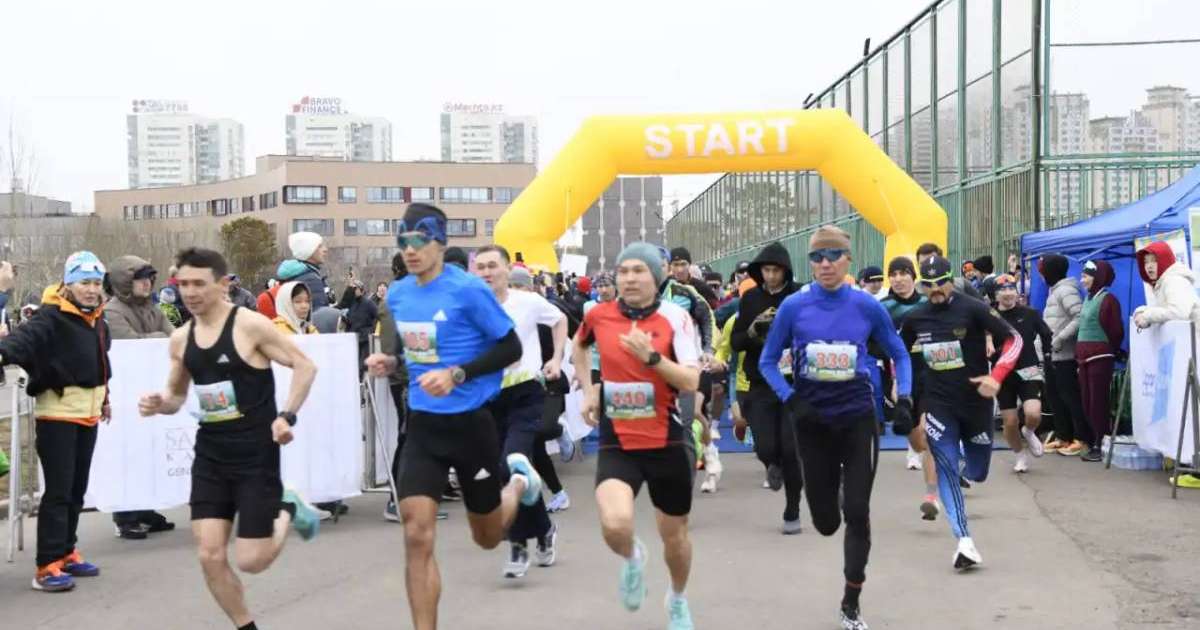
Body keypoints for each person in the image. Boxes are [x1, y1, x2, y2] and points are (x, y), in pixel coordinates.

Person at [363, 203, 542, 630]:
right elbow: (416, 348)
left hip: (471, 423)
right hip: (424, 425)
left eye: (419, 242)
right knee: (417, 534)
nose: (410, 251)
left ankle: (519, 485)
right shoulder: (402, 293)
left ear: (440, 243)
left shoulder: (467, 290)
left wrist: (458, 373)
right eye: (403, 243)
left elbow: (509, 348)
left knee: (488, 537)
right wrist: (392, 362)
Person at [137, 248, 321, 629]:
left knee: (252, 560)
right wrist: (160, 403)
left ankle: (288, 509)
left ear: (222, 285)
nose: (190, 292)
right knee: (209, 555)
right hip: (211, 456)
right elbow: (176, 397)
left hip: (255, 454)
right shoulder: (181, 339)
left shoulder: (250, 325)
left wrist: (286, 415)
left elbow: (305, 365)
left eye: (198, 284)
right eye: (183, 284)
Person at [757, 226, 913, 630]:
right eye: (816, 257)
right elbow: (768, 361)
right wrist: (791, 399)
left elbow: (899, 352)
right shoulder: (794, 306)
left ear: (848, 260)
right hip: (812, 423)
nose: (824, 264)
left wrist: (907, 396)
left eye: (832, 256)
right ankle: (835, 493)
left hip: (858, 417)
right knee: (827, 522)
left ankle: (851, 603)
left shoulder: (866, 305)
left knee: (858, 512)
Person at [572, 242, 701, 630]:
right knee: (615, 524)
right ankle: (632, 558)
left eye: (638, 271)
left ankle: (677, 598)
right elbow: (579, 346)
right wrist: (588, 389)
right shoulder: (599, 315)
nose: (628, 278)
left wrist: (653, 359)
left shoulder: (675, 317)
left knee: (674, 538)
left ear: (656, 277)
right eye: (623, 270)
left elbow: (692, 380)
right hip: (618, 438)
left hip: (666, 439)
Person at [900, 254, 1022, 572]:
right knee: (946, 467)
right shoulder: (916, 318)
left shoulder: (973, 308)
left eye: (941, 282)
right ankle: (964, 541)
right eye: (928, 285)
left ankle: (968, 464)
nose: (936, 289)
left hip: (976, 402)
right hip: (939, 404)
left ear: (952, 279)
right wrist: (906, 395)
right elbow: (900, 355)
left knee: (977, 472)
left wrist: (996, 377)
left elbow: (1014, 339)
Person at [0, 252, 112, 592]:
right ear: (68, 284)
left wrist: (106, 398)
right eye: (84, 283)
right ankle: (46, 566)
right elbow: (22, 342)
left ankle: (66, 551)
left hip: (88, 415)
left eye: (96, 283)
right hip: (57, 416)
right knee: (59, 492)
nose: (91, 290)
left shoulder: (97, 320)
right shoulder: (51, 318)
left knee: (77, 490)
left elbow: (100, 363)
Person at [472, 244, 566, 578]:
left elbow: (559, 320)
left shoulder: (526, 302)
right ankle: (542, 530)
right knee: (505, 473)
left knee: (513, 463)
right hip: (487, 399)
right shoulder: (469, 307)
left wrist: (555, 359)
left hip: (526, 394)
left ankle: (516, 545)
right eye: (480, 267)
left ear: (507, 269)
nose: (486, 272)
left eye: (492, 266)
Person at [730, 241, 804, 534]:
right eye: (766, 271)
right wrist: (753, 329)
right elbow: (736, 342)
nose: (771, 276)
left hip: (794, 383)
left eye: (776, 271)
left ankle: (792, 509)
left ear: (785, 271)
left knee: (791, 448)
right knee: (764, 446)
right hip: (760, 381)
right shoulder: (749, 299)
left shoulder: (799, 295)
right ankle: (770, 463)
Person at [103, 255, 178, 539]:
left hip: (151, 390)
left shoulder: (152, 308)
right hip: (126, 393)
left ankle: (145, 509)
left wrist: (162, 337)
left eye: (150, 278)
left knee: (150, 453)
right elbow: (128, 344)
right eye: (140, 278)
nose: (147, 283)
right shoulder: (113, 311)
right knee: (128, 455)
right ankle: (125, 516)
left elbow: (174, 337)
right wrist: (160, 337)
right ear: (125, 282)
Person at [879, 256, 941, 519]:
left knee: (929, 435)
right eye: (893, 274)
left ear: (914, 277)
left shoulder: (930, 303)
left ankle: (931, 496)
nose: (899, 279)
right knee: (916, 440)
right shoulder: (883, 308)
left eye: (904, 273)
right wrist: (892, 380)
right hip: (900, 378)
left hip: (933, 374)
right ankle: (938, 465)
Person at [992, 274, 1051, 472]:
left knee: (1033, 413)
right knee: (1009, 422)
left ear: (1017, 292)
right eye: (1002, 290)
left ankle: (1029, 431)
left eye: (1011, 289)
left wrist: (1049, 357)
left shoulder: (1030, 314)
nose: (1008, 294)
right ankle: (1020, 456)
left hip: (1029, 369)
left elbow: (1046, 334)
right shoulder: (990, 317)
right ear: (995, 294)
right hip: (1002, 374)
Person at [1039, 254, 1091, 456]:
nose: (1042, 275)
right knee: (1054, 397)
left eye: (1043, 271)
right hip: (1051, 355)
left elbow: (1079, 316)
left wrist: (1059, 339)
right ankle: (1063, 436)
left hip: (1064, 356)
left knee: (1070, 397)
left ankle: (1081, 438)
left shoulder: (1066, 290)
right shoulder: (1054, 291)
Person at [1074, 261, 1124, 463]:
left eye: (1086, 276)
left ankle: (1100, 442)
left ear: (1098, 277)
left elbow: (1116, 331)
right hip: (1084, 358)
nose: (1082, 279)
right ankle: (1095, 439)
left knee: (1097, 402)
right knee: (1086, 401)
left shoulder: (1108, 299)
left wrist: (1108, 349)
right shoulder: (1088, 298)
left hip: (1100, 357)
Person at [338, 279, 379, 371]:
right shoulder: (350, 303)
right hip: (353, 338)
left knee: (363, 365)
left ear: (361, 290)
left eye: (356, 289)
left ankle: (362, 382)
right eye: (352, 289)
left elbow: (379, 315)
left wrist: (372, 329)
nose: (354, 291)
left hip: (365, 339)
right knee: (353, 364)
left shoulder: (368, 303)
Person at [286, 232, 331, 310]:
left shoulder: (299, 274)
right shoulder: (311, 280)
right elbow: (319, 314)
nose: (325, 250)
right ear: (309, 251)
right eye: (320, 246)